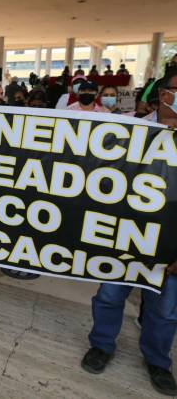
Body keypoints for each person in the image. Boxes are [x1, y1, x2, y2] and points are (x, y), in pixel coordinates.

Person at [81, 77, 177, 395]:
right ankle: (102, 345)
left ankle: (157, 361)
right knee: (109, 296)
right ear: (165, 94)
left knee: (164, 310)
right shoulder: (129, 130)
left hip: (171, 245)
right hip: (124, 236)